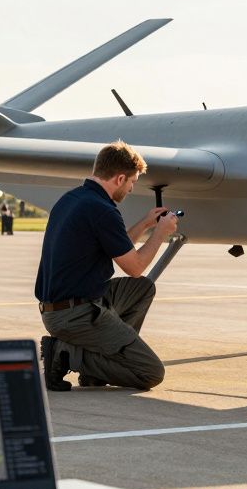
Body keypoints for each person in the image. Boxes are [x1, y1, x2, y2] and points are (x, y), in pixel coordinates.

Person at [36, 140, 178, 392]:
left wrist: (146, 224)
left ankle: (97, 371)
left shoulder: (74, 199)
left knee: (142, 289)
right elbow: (134, 266)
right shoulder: (102, 210)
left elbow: (118, 249)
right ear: (120, 178)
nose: (132, 189)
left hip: (67, 305)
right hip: (74, 315)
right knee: (150, 373)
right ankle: (65, 353)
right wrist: (162, 234)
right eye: (132, 182)